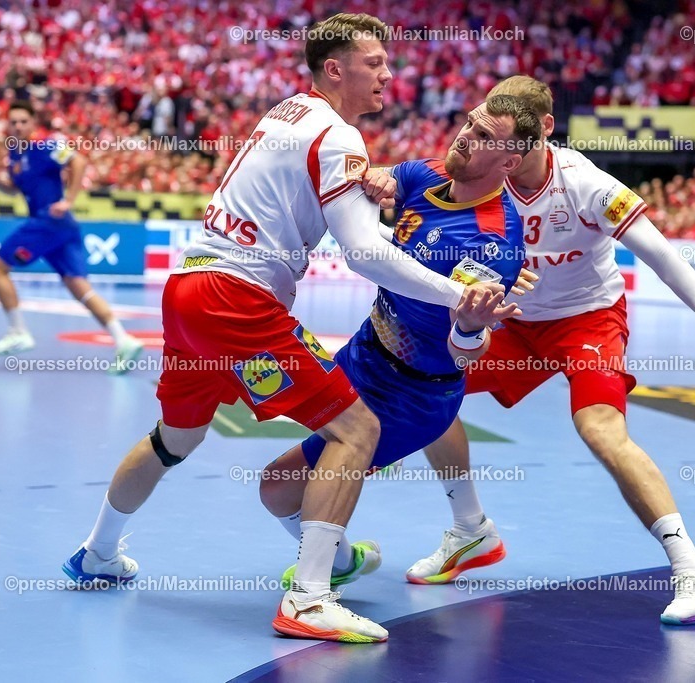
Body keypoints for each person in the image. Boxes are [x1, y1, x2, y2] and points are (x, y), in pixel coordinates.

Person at [61, 13, 514, 644]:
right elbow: (363, 253)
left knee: (174, 440)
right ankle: (307, 599)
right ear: (336, 68)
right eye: (375, 63)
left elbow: (359, 231)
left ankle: (97, 554)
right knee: (357, 429)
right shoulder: (340, 138)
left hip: (189, 289)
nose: (389, 73)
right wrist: (457, 290)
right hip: (238, 298)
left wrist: (382, 209)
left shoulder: (288, 112)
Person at [409, 76, 695, 626]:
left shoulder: (585, 184)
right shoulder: (479, 172)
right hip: (515, 321)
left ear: (543, 128)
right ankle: (470, 530)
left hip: (586, 319)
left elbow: (662, 255)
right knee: (424, 386)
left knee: (601, 428)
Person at [257, 95, 540, 596]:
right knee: (278, 485)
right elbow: (391, 179)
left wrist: (471, 328)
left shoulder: (492, 242)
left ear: (509, 162)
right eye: (469, 122)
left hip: (412, 396)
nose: (465, 135)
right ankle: (345, 560)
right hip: (362, 353)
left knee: (278, 489)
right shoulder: (427, 174)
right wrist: (382, 175)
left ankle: (317, 585)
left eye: (482, 136)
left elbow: (462, 355)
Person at [0, 101, 144, 371]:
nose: (18, 126)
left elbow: (79, 161)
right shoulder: (14, 157)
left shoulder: (46, 147)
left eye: (24, 121)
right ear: (8, 126)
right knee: (78, 286)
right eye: (14, 122)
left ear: (33, 123)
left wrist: (69, 200)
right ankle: (124, 339)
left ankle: (18, 332)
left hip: (50, 221)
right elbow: (16, 189)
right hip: (59, 228)